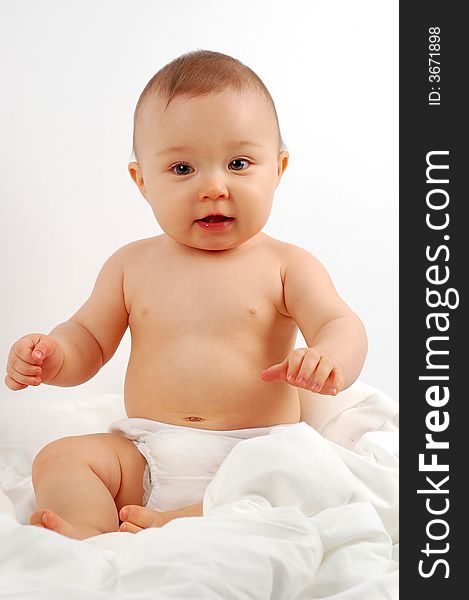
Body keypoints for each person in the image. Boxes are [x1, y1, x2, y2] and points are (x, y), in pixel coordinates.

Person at [4, 50, 367, 540]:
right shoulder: (131, 265)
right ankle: (89, 533)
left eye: (239, 163)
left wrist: (329, 357)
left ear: (277, 168)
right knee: (61, 457)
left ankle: (182, 521)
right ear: (142, 182)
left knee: (304, 477)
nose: (214, 187)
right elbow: (89, 338)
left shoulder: (286, 265)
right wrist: (55, 356)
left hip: (254, 450)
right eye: (182, 169)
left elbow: (340, 324)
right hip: (151, 450)